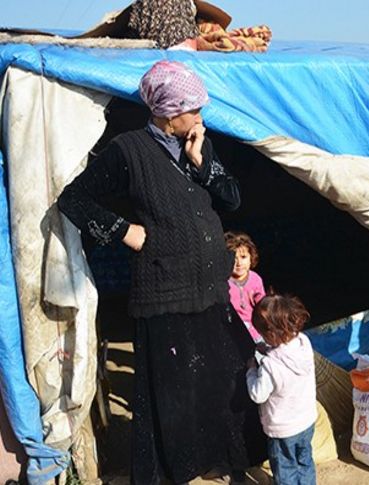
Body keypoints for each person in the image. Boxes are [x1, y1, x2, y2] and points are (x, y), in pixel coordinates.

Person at [57, 60, 262, 484]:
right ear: (168, 112)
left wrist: (202, 162)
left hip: (210, 286)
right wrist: (122, 230)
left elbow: (232, 200)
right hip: (164, 289)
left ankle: (228, 461)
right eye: (194, 109)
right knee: (172, 393)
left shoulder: (200, 145)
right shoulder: (128, 151)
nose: (201, 116)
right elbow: (73, 199)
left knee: (228, 377)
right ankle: (176, 471)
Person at [247, 295, 317, 485]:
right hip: (307, 421)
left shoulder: (270, 365)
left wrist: (252, 370)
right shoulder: (303, 342)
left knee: (285, 469)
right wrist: (268, 349)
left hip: (283, 429)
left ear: (270, 335)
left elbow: (257, 394)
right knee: (305, 461)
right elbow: (285, 354)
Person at [226, 231, 267, 342]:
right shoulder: (224, 283)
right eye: (234, 259)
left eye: (243, 257)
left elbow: (262, 306)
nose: (239, 263)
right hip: (234, 331)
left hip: (257, 330)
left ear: (251, 258)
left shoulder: (255, 279)